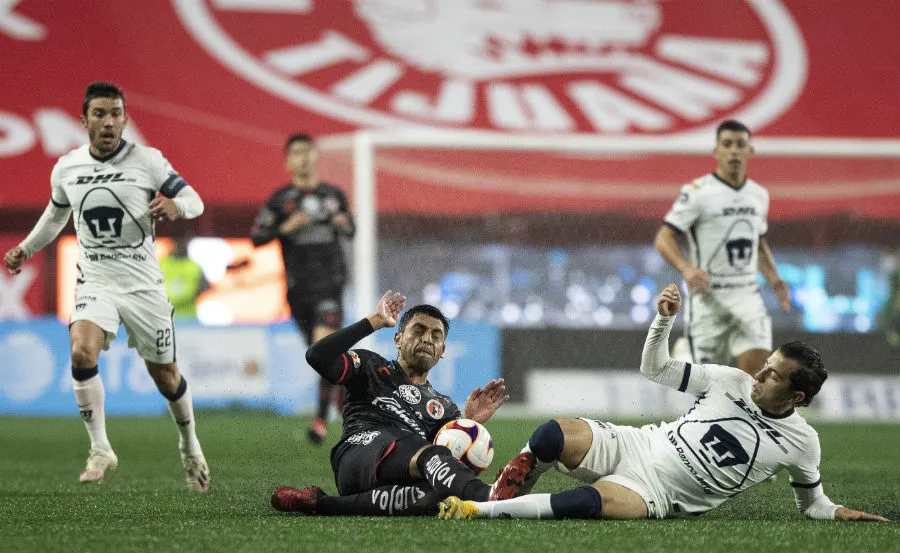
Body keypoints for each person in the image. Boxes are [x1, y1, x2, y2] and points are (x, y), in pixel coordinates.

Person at [438, 284, 888, 522]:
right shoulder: (730, 379)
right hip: (639, 445)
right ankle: (509, 487)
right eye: (765, 364)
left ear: (797, 397)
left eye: (773, 374)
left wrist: (837, 511)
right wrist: (663, 321)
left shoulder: (802, 442)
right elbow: (656, 370)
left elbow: (811, 505)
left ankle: (479, 510)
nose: (760, 373)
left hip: (660, 493)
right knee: (549, 434)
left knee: (582, 505)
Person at [3, 82, 210, 491]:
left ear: (125, 118)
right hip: (95, 279)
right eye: (99, 114)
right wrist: (25, 249)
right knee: (81, 349)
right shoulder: (67, 168)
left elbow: (195, 200)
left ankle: (190, 447)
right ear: (84, 121)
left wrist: (175, 205)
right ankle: (100, 448)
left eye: (116, 113)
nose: (109, 122)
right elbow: (54, 216)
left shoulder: (147, 161)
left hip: (143, 286)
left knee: (166, 378)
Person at [270, 290, 509, 516]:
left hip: (396, 478)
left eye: (436, 336)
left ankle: (321, 503)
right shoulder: (369, 365)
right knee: (431, 456)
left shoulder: (444, 407)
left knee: (436, 496)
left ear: (442, 350)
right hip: (359, 453)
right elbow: (317, 356)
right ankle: (489, 497)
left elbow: (447, 464)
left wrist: (467, 424)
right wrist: (372, 322)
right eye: (418, 331)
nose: (427, 339)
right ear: (398, 338)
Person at [654, 120, 791, 376]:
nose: (734, 151)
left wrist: (774, 278)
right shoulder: (698, 192)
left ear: (750, 150)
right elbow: (663, 238)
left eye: (741, 145)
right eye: (727, 144)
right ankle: (686, 354)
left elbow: (757, 243)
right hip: (709, 300)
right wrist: (686, 268)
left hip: (747, 296)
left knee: (756, 384)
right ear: (716, 151)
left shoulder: (759, 195)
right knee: (707, 387)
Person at [250, 133, 354, 444]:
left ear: (316, 157)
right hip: (298, 289)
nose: (304, 158)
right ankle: (343, 400)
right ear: (288, 161)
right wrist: (284, 228)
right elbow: (257, 236)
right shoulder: (280, 200)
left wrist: (341, 223)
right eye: (297, 153)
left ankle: (321, 420)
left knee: (326, 346)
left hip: (331, 284)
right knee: (319, 356)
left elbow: (351, 229)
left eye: (308, 152)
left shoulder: (334, 194)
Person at [158, 235, 209, 318]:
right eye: (178, 240)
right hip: (164, 321)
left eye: (184, 240)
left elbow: (204, 289)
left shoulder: (195, 267)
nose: (181, 243)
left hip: (188, 322)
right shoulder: (160, 265)